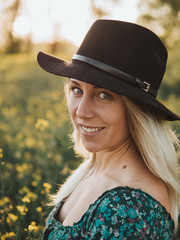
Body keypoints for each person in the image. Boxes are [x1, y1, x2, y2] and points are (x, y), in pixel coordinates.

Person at [37, 19, 180, 239]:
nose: (82, 112)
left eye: (104, 95)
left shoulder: (131, 211)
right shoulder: (91, 170)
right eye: (76, 89)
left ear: (138, 111)